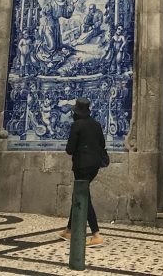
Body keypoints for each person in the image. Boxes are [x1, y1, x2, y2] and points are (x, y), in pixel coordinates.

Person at [60, 97, 105, 248]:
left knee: (84, 197)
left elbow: (69, 149)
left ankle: (96, 234)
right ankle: (69, 230)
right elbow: (102, 144)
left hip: (81, 166)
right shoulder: (96, 125)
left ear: (76, 112)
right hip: (95, 166)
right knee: (78, 195)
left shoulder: (77, 125)